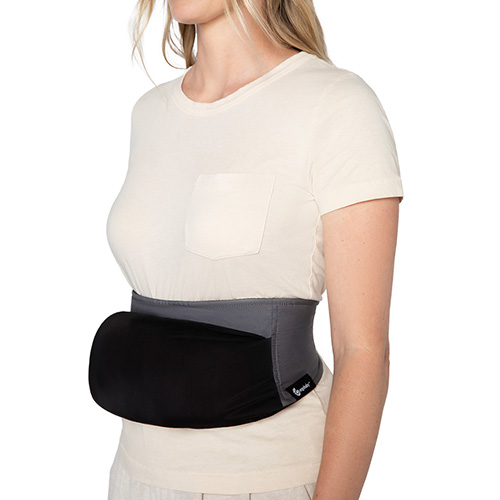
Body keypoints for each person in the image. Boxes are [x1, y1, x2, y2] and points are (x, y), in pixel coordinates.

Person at [102, 0, 404, 498]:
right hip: (135, 474)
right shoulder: (150, 112)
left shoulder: (335, 105)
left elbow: (363, 350)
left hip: (268, 479)